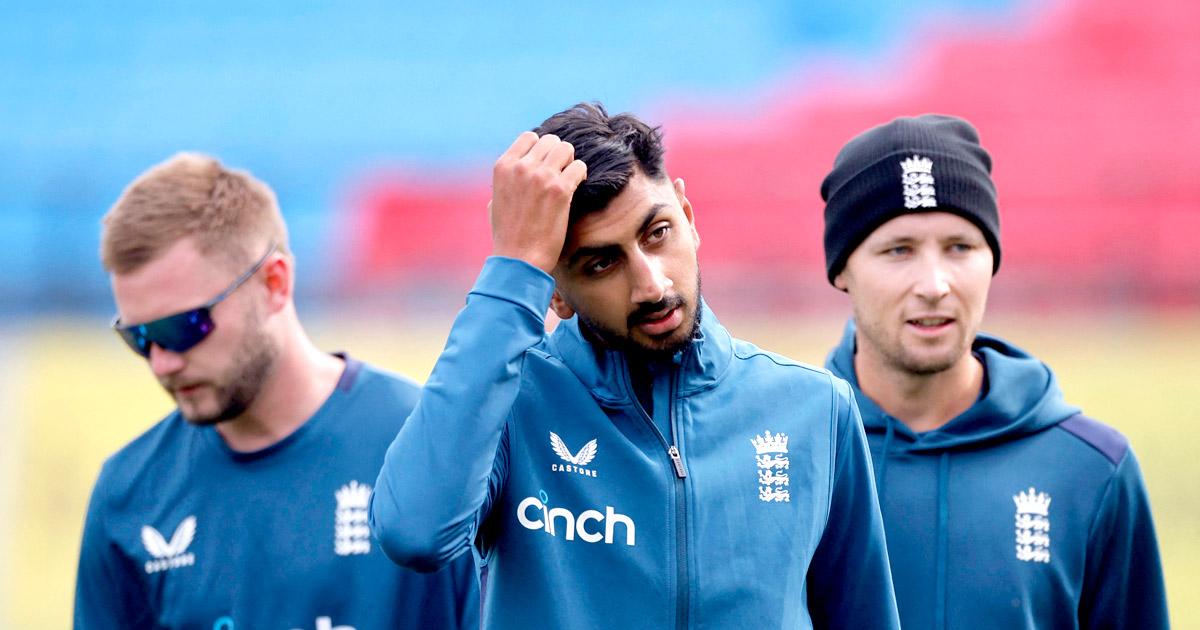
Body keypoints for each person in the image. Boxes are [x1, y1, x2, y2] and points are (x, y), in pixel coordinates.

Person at [369, 102, 900, 628]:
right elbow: (415, 532)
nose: (652, 285)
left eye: (657, 233)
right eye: (602, 263)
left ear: (688, 216)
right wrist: (513, 273)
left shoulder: (816, 408)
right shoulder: (509, 404)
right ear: (555, 295)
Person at [74, 153, 479, 630]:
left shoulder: (430, 451)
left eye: (183, 327)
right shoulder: (128, 493)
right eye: (139, 338)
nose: (162, 362)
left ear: (274, 283)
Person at [819, 114, 1169, 628]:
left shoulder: (1090, 468)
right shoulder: (798, 454)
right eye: (899, 250)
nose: (935, 285)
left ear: (992, 260)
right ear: (842, 270)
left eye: (960, 247)